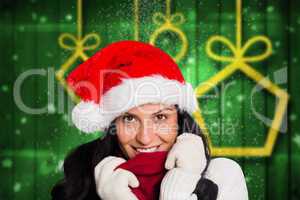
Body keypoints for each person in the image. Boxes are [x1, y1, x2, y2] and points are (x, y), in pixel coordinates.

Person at [51, 40, 248, 200]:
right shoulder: (82, 180)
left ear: (179, 119)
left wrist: (183, 181)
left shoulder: (222, 175)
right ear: (112, 124)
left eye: (160, 117)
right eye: (129, 119)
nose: (145, 138)